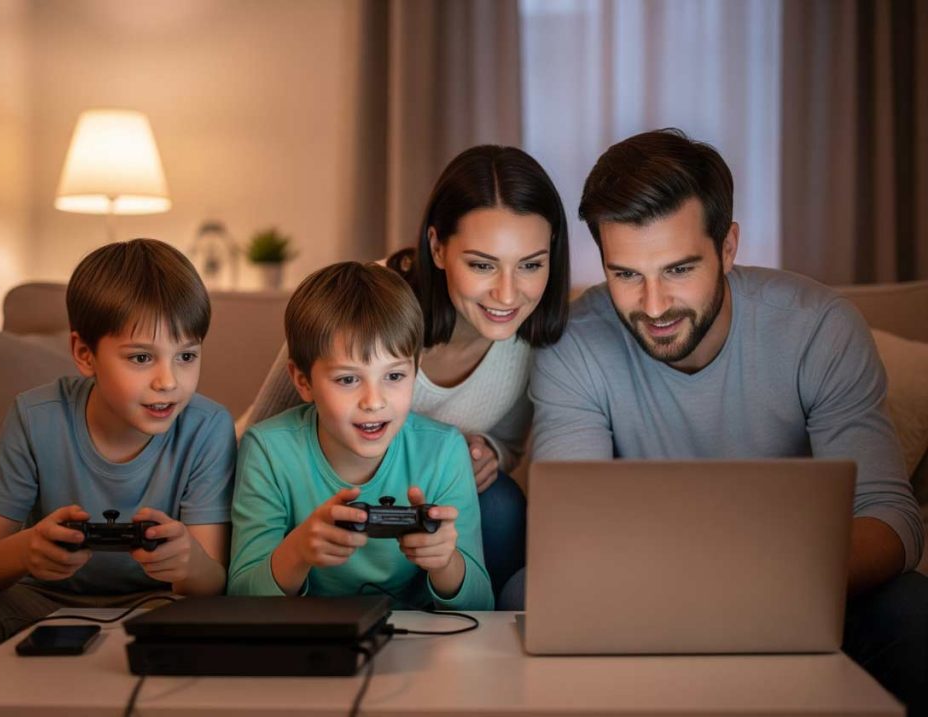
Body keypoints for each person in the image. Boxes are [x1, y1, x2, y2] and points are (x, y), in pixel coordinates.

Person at [507, 128, 927, 714]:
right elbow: (566, 533)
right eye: (626, 274)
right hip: (637, 595)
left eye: (679, 270)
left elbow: (890, 520)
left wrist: (764, 587)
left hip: (800, 591)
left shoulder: (818, 329)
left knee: (911, 611)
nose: (653, 306)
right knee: (525, 594)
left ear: (728, 248)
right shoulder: (575, 342)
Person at [242, 145, 570, 595]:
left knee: (500, 504)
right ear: (437, 246)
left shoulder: (537, 336)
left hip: (432, 488)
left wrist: (488, 451)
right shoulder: (364, 305)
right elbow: (271, 422)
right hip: (320, 481)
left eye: (531, 264)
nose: (508, 295)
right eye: (481, 265)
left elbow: (509, 445)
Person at [0, 239, 236, 685]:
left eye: (186, 356)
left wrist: (188, 563)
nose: (169, 382)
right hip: (43, 598)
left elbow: (211, 582)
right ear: (85, 354)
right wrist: (27, 550)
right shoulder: (35, 416)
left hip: (156, 601)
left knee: (190, 622)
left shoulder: (207, 426)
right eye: (141, 357)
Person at [227, 262, 493, 610]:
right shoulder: (267, 450)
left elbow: (482, 605)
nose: (374, 401)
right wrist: (298, 551)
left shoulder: (443, 450)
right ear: (302, 381)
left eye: (394, 376)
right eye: (348, 379)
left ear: (416, 370)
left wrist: (445, 562)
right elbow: (240, 599)